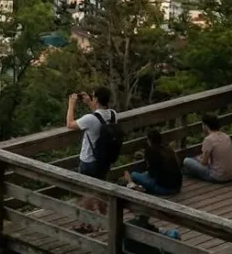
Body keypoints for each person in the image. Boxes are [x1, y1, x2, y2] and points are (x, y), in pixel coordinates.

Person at [67, 87, 119, 232]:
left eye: (93, 97)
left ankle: (87, 224)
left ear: (96, 99)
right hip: (105, 160)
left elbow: (70, 124)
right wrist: (90, 103)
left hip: (89, 160)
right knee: (101, 191)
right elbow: (99, 118)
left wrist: (71, 104)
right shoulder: (113, 115)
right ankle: (104, 220)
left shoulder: (89, 120)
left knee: (87, 193)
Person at [126, 128, 183, 196]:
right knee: (144, 175)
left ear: (149, 140)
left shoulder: (150, 151)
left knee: (133, 174)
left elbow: (152, 174)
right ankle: (138, 186)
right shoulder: (168, 149)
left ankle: (134, 185)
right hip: (178, 187)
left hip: (165, 189)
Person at [182, 115, 232, 184]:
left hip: (217, 177)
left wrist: (198, 159)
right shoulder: (226, 136)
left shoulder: (208, 140)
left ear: (206, 126)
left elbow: (204, 162)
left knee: (187, 161)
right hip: (230, 175)